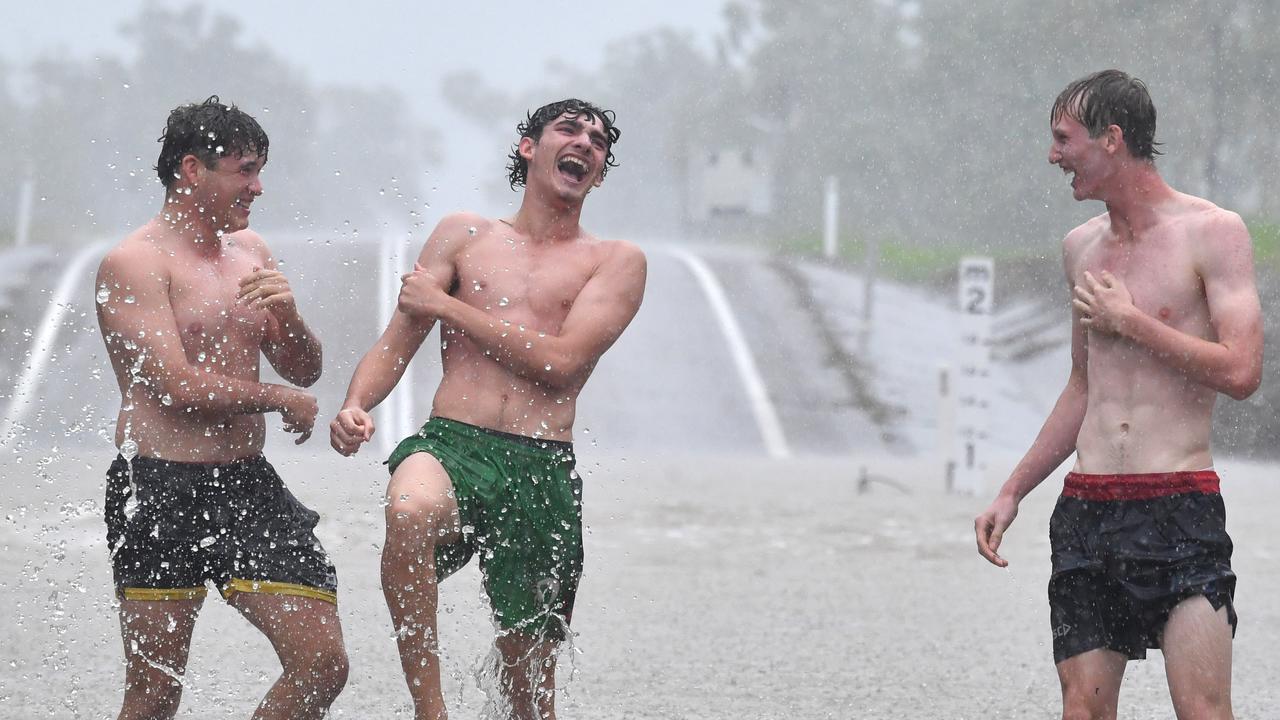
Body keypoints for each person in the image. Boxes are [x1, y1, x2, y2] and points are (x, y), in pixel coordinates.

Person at [330, 98, 646, 719]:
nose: (585, 141)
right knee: (410, 508)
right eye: (569, 130)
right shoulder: (462, 234)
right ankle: (431, 710)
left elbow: (562, 363)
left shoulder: (616, 261)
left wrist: (448, 307)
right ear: (529, 147)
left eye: (599, 140)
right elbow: (397, 341)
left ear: (600, 173)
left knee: (530, 698)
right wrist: (355, 404)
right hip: (453, 444)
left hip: (541, 466)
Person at [974, 70, 1263, 719]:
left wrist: (1135, 324)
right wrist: (1013, 489)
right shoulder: (1081, 249)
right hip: (1088, 515)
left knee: (1204, 710)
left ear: (1111, 139)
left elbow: (1243, 371)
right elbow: (1083, 387)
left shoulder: (1213, 233)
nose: (1052, 155)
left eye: (1062, 138)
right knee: (1084, 711)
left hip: (1180, 511)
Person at [95, 96, 348, 720]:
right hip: (156, 486)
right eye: (245, 170)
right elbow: (173, 385)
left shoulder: (252, 250)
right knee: (155, 694)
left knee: (322, 665)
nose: (259, 187)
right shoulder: (135, 261)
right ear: (190, 169)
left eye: (260, 170)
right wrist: (277, 398)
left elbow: (305, 368)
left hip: (244, 484)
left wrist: (288, 316)